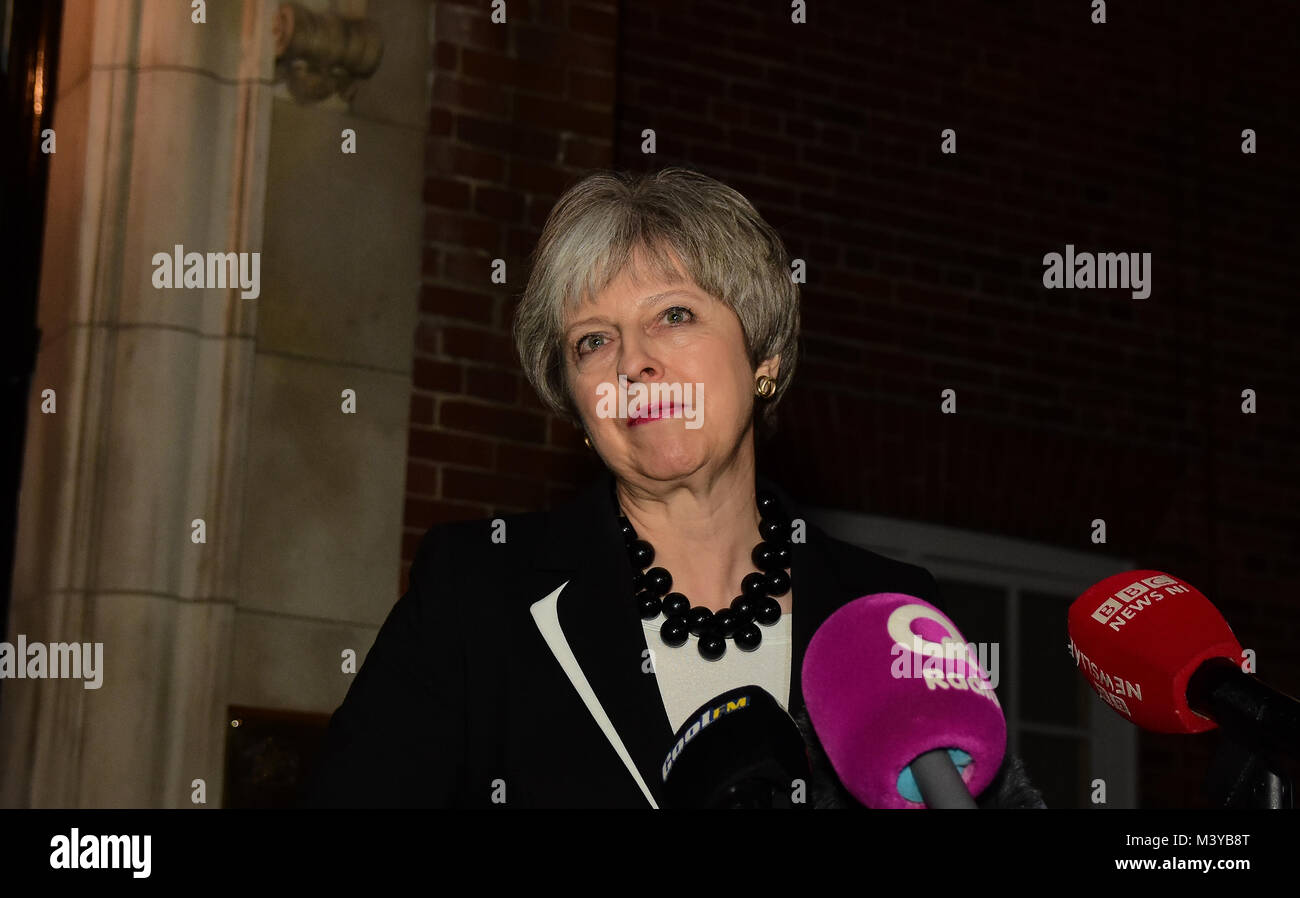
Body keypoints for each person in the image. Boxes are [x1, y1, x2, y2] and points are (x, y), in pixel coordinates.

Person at [300, 167, 1044, 808]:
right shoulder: (476, 595)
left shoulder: (889, 613)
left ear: (764, 358)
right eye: (593, 341)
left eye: (674, 315)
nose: (633, 363)